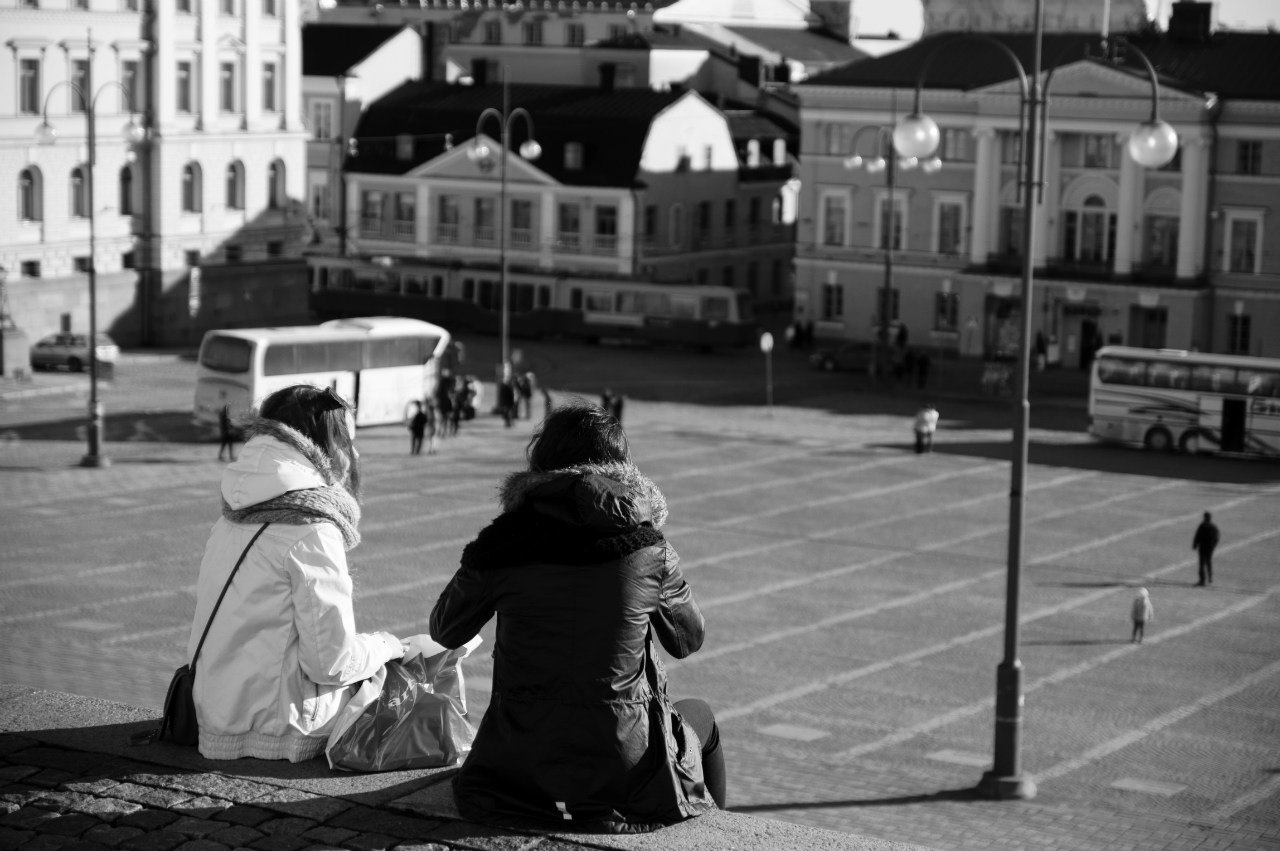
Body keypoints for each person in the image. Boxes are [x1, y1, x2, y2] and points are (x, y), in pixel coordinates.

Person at [428, 401, 724, 831]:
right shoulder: (647, 547)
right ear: (623, 469)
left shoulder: (502, 543)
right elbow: (687, 640)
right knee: (703, 719)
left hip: (517, 766)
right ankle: (713, 834)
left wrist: (488, 557)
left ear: (540, 466)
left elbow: (445, 629)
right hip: (626, 771)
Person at [189, 384, 408, 762]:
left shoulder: (233, 512)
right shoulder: (312, 530)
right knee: (404, 682)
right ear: (323, 443)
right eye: (348, 441)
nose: (354, 454)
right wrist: (387, 645)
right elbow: (331, 664)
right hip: (282, 730)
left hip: (214, 715)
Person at [1192, 511, 1220, 586]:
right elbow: (1217, 538)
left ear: (1205, 517)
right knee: (1208, 562)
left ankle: (1202, 580)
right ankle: (1210, 578)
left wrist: (1195, 544)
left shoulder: (1202, 525)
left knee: (1202, 564)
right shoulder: (1213, 526)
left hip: (1203, 547)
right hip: (1209, 548)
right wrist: (1213, 546)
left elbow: (1197, 535)